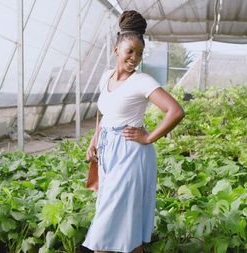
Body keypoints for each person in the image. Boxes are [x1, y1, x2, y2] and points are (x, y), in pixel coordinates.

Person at [82, 10, 184, 253]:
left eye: (139, 53)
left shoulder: (142, 81)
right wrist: (94, 141)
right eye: (130, 51)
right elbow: (104, 114)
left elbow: (175, 111)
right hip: (109, 155)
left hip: (130, 156)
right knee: (125, 229)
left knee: (105, 230)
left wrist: (148, 137)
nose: (135, 58)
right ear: (116, 48)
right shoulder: (106, 76)